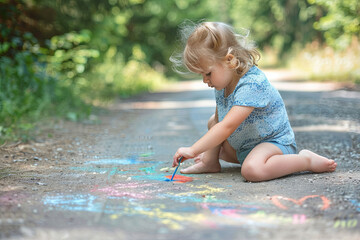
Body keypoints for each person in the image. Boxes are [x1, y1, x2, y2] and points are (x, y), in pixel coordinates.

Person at [170, 21, 337, 182]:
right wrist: (208, 153)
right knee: (213, 122)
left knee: (252, 170)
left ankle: (305, 160)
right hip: (246, 147)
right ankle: (210, 163)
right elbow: (219, 120)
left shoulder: (252, 84)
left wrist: (193, 150)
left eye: (207, 73)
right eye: (201, 75)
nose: (205, 80)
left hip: (274, 144)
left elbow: (227, 127)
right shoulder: (222, 84)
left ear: (229, 60)